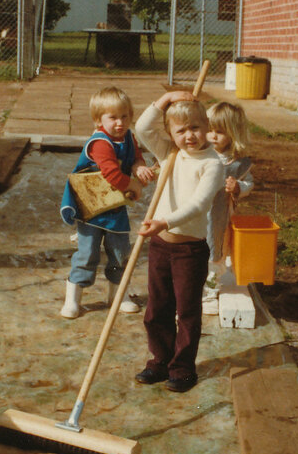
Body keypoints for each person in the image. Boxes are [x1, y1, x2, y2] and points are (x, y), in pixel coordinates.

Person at [133, 91, 224, 392]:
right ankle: (160, 360)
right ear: (171, 132)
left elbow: (199, 204)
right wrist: (166, 97)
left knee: (186, 311)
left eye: (195, 127)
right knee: (157, 307)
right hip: (160, 244)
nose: (189, 136)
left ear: (206, 127)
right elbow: (143, 128)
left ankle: (183, 368)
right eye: (180, 130)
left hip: (189, 249)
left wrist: (165, 221)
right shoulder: (169, 152)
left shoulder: (212, 163)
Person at [60, 87, 155, 318]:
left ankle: (118, 295)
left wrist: (138, 167)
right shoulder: (100, 143)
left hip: (114, 208)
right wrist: (132, 185)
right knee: (87, 253)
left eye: (124, 116)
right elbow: (111, 174)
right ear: (98, 119)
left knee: (120, 252)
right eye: (112, 117)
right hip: (92, 208)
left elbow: (136, 157)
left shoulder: (129, 138)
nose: (120, 123)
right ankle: (72, 299)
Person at [203, 101, 254, 301]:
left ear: (233, 133)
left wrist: (238, 187)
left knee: (216, 250)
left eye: (220, 132)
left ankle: (210, 291)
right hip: (197, 213)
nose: (213, 136)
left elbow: (249, 184)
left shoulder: (237, 163)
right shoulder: (200, 154)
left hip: (219, 214)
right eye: (209, 130)